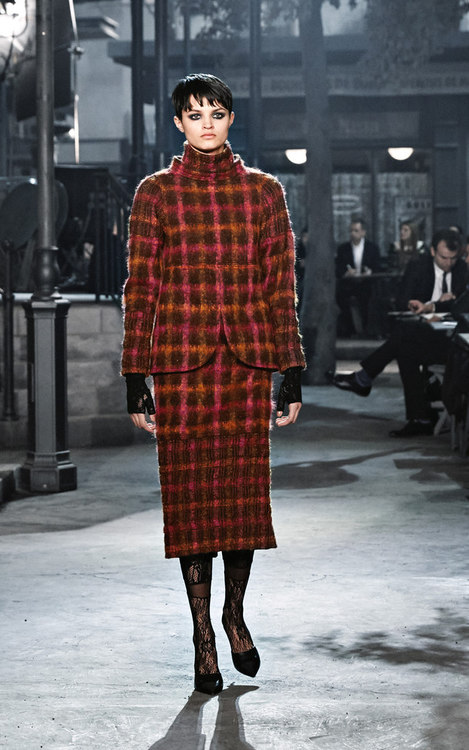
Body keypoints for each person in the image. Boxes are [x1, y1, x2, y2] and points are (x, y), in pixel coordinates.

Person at [121, 74, 306, 696]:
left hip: (247, 367)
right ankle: (203, 636)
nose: (206, 123)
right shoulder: (155, 194)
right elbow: (141, 289)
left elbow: (280, 286)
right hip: (180, 369)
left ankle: (234, 614)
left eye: (217, 113)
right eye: (195, 114)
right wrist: (135, 375)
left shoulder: (264, 192)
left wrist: (291, 370)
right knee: (193, 506)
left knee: (241, 505)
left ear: (231, 120)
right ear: (178, 122)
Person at [332, 228, 468, 436]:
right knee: (405, 347)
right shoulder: (418, 267)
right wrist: (415, 304)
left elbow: (460, 307)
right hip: (423, 334)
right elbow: (402, 299)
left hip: (452, 344)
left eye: (453, 258)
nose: (448, 263)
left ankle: (365, 378)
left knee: (404, 341)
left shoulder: (462, 270)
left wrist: (438, 305)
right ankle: (419, 418)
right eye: (444, 258)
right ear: (432, 251)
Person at [335, 218, 382, 336]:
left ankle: (367, 329)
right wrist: (347, 273)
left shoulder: (372, 248)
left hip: (367, 283)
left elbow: (377, 266)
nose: (352, 233)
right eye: (351, 231)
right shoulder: (343, 248)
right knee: (341, 297)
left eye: (356, 230)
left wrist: (369, 272)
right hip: (348, 283)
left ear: (363, 232)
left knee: (369, 298)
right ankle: (349, 330)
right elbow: (339, 267)